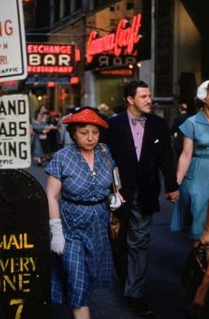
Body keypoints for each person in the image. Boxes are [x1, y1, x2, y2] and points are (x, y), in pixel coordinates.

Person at [102, 80, 179, 317]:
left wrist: (171, 185)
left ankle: (133, 293)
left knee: (139, 242)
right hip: (117, 194)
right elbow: (103, 157)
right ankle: (126, 278)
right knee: (118, 242)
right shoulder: (112, 125)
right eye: (144, 96)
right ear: (130, 99)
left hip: (145, 192)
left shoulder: (158, 124)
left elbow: (167, 156)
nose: (149, 100)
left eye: (149, 96)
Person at [46, 107, 121, 319]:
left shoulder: (105, 152)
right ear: (73, 133)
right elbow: (51, 196)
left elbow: (113, 180)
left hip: (98, 225)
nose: (90, 138)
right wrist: (56, 231)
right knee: (76, 278)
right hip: (70, 228)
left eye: (95, 132)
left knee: (87, 278)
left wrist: (114, 197)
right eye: (84, 132)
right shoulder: (62, 158)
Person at [171, 81, 209, 246]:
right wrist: (175, 184)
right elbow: (186, 155)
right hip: (198, 175)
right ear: (203, 98)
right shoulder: (192, 122)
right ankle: (198, 263)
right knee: (199, 220)